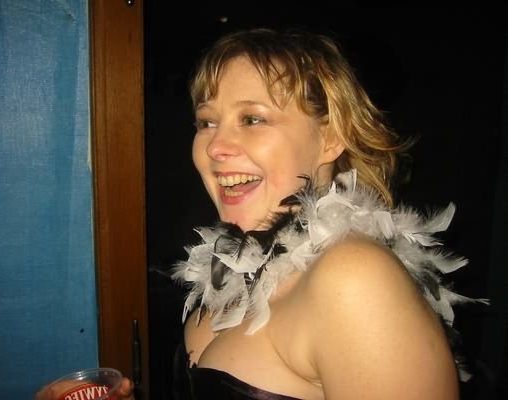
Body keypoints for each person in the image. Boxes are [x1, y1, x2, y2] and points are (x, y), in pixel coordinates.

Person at [163, 27, 489, 400]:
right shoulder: (232, 269)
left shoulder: (355, 278)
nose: (215, 146)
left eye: (252, 119)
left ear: (331, 138)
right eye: (206, 122)